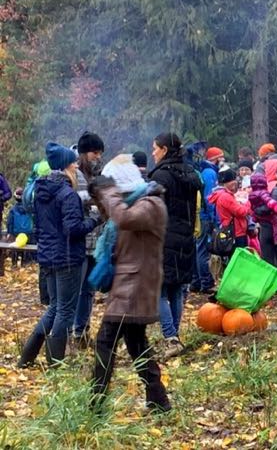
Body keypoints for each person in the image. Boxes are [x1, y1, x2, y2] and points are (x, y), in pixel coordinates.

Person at [88, 155, 171, 413]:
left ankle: (95, 404)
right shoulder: (137, 202)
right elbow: (116, 220)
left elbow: (123, 219)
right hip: (130, 284)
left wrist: (107, 191)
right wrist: (99, 194)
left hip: (135, 286)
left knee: (105, 341)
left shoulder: (151, 204)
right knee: (136, 345)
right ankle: (158, 401)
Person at [18, 143, 98, 368]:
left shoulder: (41, 191)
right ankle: (55, 362)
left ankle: (28, 355)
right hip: (68, 258)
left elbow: (41, 227)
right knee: (65, 310)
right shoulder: (67, 194)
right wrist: (95, 220)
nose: (76, 166)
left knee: (55, 307)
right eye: (73, 163)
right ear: (65, 166)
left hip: (48, 257)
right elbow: (73, 229)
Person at [147, 133, 202, 359]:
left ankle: (171, 337)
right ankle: (175, 337)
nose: (153, 153)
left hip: (163, 237)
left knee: (159, 289)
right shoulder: (190, 173)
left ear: (164, 150)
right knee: (177, 288)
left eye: (155, 148)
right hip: (186, 236)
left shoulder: (160, 176)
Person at [72, 130, 105, 348]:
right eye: (95, 153)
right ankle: (71, 332)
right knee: (76, 290)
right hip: (80, 241)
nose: (98, 157)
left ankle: (82, 331)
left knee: (89, 291)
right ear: (85, 153)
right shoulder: (74, 174)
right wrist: (95, 201)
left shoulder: (97, 175)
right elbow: (75, 203)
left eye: (100, 153)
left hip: (95, 242)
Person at [187, 142, 218, 295]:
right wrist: (214, 219)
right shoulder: (209, 173)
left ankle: (195, 281)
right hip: (204, 216)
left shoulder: (198, 170)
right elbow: (210, 198)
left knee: (195, 248)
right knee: (202, 250)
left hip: (195, 214)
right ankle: (206, 282)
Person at [248, 172, 277, 273]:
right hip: (268, 219)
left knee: (266, 256)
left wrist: (254, 214)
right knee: (276, 223)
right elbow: (269, 201)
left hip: (259, 218)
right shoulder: (264, 192)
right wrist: (276, 207)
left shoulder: (251, 194)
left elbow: (251, 207)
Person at [208, 168, 250, 249]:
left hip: (231, 230)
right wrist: (247, 203)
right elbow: (241, 212)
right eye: (233, 180)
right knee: (239, 255)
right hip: (236, 232)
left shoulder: (221, 194)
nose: (235, 182)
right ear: (227, 182)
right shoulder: (226, 196)